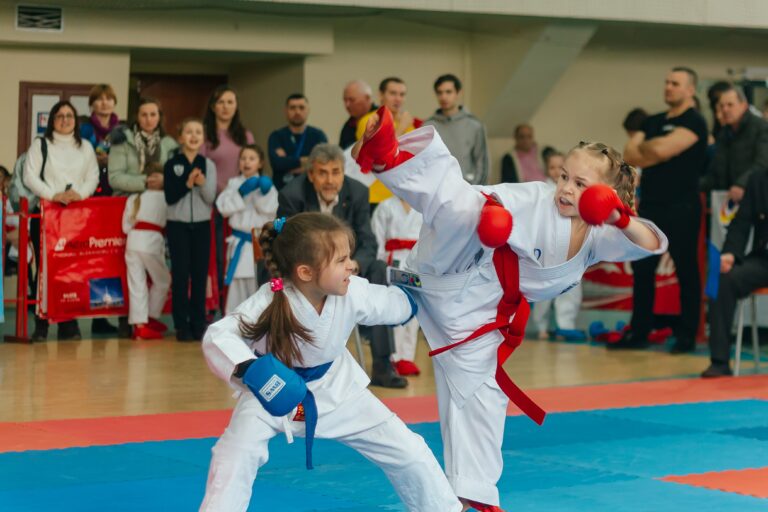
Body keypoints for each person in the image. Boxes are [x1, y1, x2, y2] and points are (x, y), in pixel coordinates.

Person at [352, 107, 667, 511]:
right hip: (451, 265)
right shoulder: (536, 199)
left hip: (475, 314)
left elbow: (651, 243)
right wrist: (492, 215)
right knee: (466, 208)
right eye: (564, 177)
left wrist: (620, 218)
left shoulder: (599, 234)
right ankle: (388, 156)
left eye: (580, 184)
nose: (565, 189)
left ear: (604, 194)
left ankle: (474, 497)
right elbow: (479, 197)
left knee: (482, 398)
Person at [199, 213, 462, 512]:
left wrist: (420, 293)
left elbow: (392, 304)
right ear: (305, 272)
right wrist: (251, 370)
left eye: (349, 257)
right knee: (233, 456)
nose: (351, 265)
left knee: (409, 451)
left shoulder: (353, 291)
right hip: (273, 390)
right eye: (341, 260)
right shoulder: (271, 298)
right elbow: (219, 336)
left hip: (338, 389)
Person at [277, 143, 407, 388]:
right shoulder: (292, 195)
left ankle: (382, 365)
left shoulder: (357, 192)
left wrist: (353, 265)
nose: (330, 180)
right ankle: (293, 363)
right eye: (322, 173)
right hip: (308, 271)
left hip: (348, 265)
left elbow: (368, 240)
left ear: (343, 172)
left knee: (379, 268)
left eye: (336, 172)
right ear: (311, 174)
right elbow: (287, 246)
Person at [620, 67, 708, 353]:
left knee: (686, 269)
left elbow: (656, 151)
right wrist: (654, 149)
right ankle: (639, 331)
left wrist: (650, 148)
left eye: (675, 83)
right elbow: (631, 155)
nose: (668, 87)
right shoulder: (654, 120)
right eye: (667, 82)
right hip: (652, 205)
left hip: (682, 206)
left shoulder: (695, 121)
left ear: (690, 90)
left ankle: (686, 335)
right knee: (642, 268)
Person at [24, 100, 100, 342]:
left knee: (72, 271)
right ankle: (41, 325)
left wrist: (79, 194)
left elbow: (93, 177)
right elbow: (29, 176)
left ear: (76, 120)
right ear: (52, 120)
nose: (65, 120)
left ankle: (69, 324)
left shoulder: (85, 147)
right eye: (60, 116)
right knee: (43, 271)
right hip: (46, 214)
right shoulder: (41, 144)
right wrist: (54, 195)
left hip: (75, 218)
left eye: (70, 116)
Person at [702, 169, 768, 377]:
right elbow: (741, 223)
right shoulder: (759, 180)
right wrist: (729, 254)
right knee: (723, 278)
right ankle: (720, 361)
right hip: (764, 259)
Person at [202, 85, 256, 311]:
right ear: (213, 107)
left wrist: (237, 192)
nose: (225, 107)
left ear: (236, 107)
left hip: (241, 208)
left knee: (238, 259)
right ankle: (214, 304)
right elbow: (201, 169)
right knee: (216, 258)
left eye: (230, 102)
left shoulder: (245, 135)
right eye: (221, 102)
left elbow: (251, 165)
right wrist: (225, 190)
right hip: (214, 205)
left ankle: (237, 307)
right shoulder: (204, 134)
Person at [164, 118, 217, 342]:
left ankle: (198, 322)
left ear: (203, 138)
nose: (193, 136)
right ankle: (181, 324)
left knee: (199, 274)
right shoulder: (172, 164)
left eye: (198, 132)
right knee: (180, 275)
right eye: (189, 132)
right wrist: (187, 184)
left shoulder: (208, 164)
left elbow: (210, 198)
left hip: (202, 226)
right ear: (180, 137)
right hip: (178, 225)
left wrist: (202, 183)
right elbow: (170, 197)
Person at [216, 144, 278, 313]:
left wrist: (265, 193)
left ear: (260, 163)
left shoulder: (267, 185)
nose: (246, 162)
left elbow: (272, 210)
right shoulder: (233, 184)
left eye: (251, 158)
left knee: (261, 285)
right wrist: (240, 193)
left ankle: (260, 323)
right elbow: (222, 208)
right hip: (240, 243)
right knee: (237, 290)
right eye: (243, 158)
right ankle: (234, 323)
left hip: (260, 243)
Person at [530, 149, 585, 340]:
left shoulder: (578, 190)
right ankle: (541, 326)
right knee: (543, 288)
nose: (555, 171)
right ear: (546, 169)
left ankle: (565, 326)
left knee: (570, 287)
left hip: (570, 245)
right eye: (552, 167)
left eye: (560, 167)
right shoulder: (541, 190)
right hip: (545, 245)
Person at [371, 195, 423, 376]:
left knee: (416, 311)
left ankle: (407, 357)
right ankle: (394, 357)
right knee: (396, 307)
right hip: (394, 263)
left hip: (417, 263)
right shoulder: (386, 207)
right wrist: (381, 264)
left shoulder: (422, 206)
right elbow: (377, 238)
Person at [122, 163, 171, 340]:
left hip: (132, 241)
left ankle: (140, 324)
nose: (152, 178)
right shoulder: (167, 198)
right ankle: (150, 317)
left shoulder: (134, 198)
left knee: (137, 283)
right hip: (151, 242)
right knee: (163, 280)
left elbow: (125, 227)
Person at [356, 78, 423, 206]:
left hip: (403, 196)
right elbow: (380, 156)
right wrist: (401, 128)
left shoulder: (408, 125)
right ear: (381, 95)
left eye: (402, 94)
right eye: (393, 93)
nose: (398, 99)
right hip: (376, 196)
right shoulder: (370, 121)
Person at [701, 85, 768, 203]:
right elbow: (716, 170)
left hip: (756, 196)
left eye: (730, 105)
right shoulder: (724, 133)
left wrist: (741, 184)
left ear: (744, 105)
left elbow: (763, 162)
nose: (725, 110)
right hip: (726, 198)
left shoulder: (761, 128)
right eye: (722, 106)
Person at [424, 73, 489, 185]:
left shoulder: (475, 125)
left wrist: (474, 190)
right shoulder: (428, 126)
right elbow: (425, 162)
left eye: (448, 92)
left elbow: (482, 164)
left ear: (458, 93)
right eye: (440, 92)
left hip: (469, 188)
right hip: (437, 188)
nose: (444, 97)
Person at [109, 97, 178, 197]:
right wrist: (146, 182)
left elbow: (177, 173)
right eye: (144, 115)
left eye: (153, 114)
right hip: (127, 198)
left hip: (160, 198)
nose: (149, 119)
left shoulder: (169, 143)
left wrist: (165, 181)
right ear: (137, 117)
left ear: (159, 117)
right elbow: (114, 178)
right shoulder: (122, 139)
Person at [268, 93, 328, 190]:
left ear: (308, 110)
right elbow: (277, 163)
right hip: (282, 190)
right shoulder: (276, 136)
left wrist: (288, 162)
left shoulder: (318, 135)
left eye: (301, 107)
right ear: (286, 111)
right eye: (292, 108)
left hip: (311, 190)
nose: (297, 112)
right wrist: (307, 161)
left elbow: (322, 162)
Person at [339, 80, 377, 149]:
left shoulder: (380, 117)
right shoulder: (348, 125)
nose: (347, 105)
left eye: (352, 100)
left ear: (367, 98)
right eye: (345, 100)